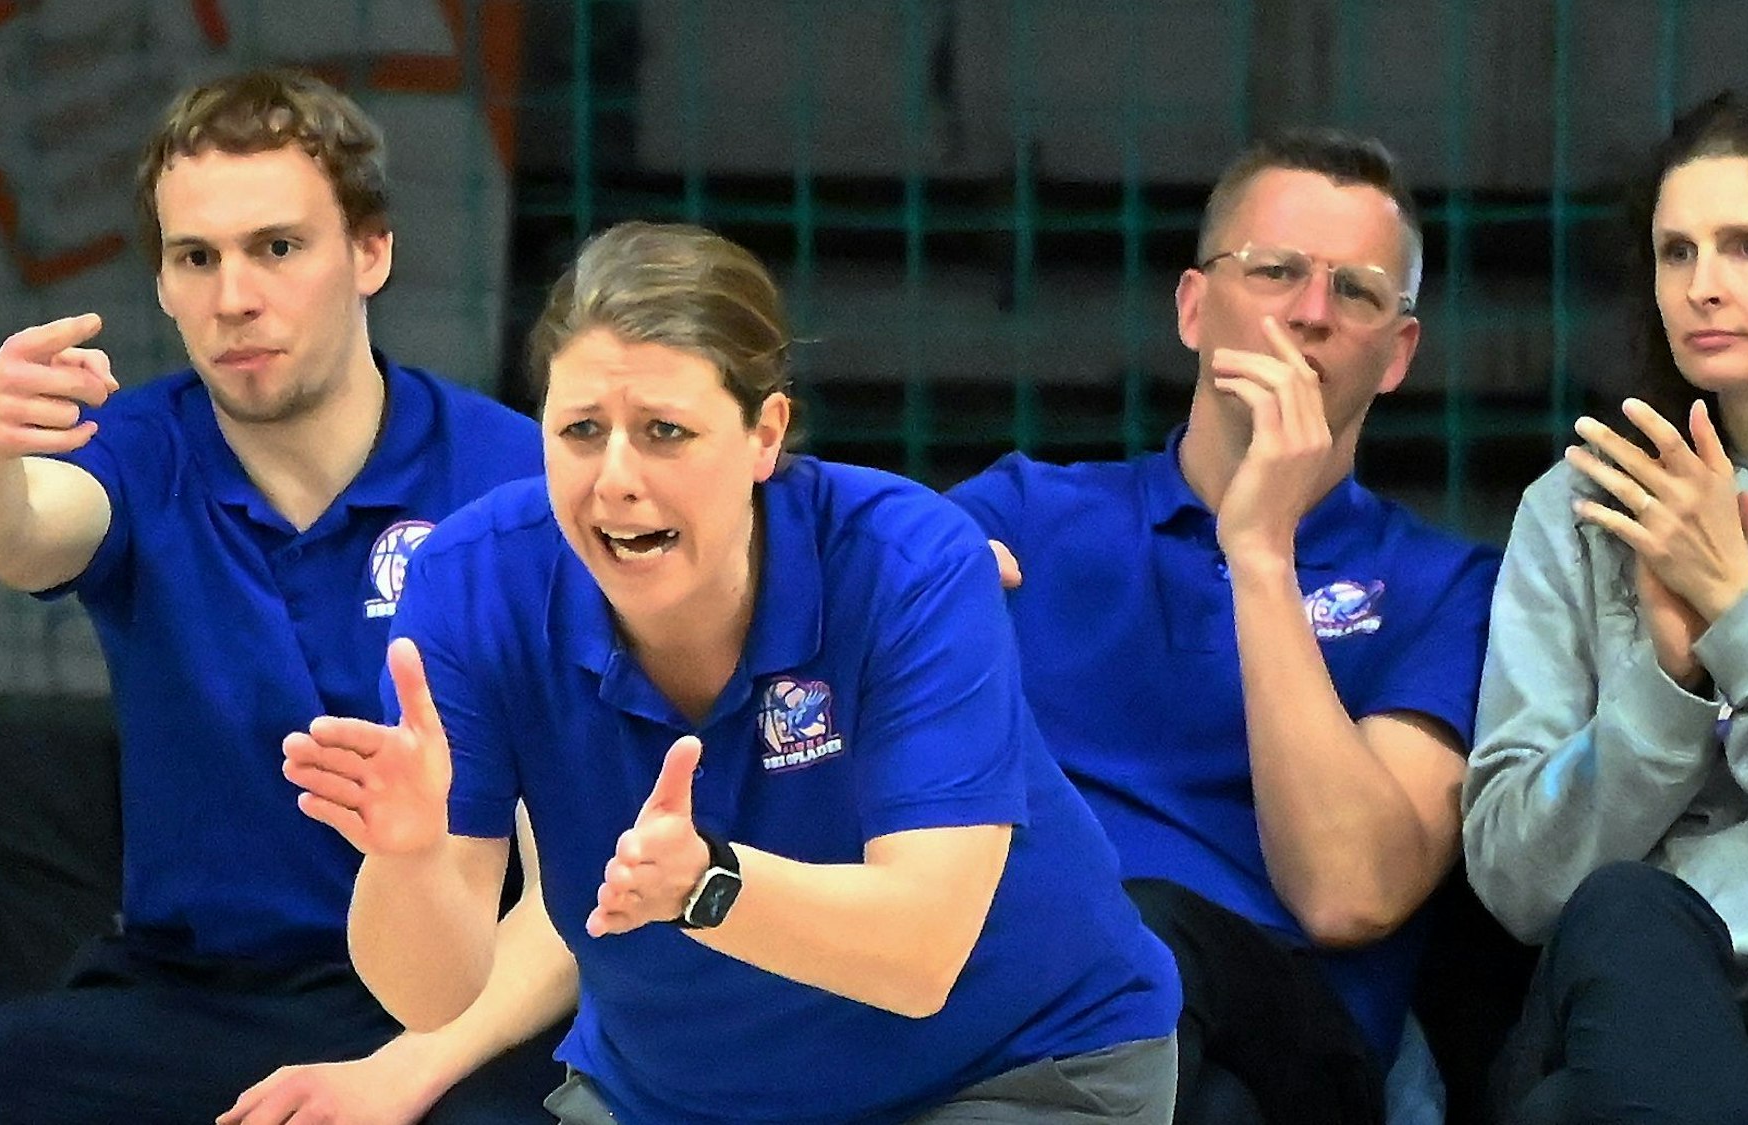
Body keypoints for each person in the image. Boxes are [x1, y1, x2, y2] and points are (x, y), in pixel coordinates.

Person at [281, 220, 1184, 1125]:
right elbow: (431, 998)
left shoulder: (910, 561)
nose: (616, 479)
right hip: (675, 1095)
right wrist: (406, 864)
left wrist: (710, 883)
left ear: (765, 433)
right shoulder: (475, 579)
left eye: (666, 430)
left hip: (1013, 1067)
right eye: (582, 430)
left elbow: (921, 952)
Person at [0, 69, 568, 1124]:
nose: (233, 298)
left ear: (370, 253)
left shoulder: (513, 483)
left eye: (277, 247)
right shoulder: (139, 447)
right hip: (186, 993)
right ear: (164, 285)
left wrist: (404, 1072)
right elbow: (5, 530)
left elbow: (576, 891)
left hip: (450, 1000)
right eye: (195, 258)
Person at [949, 129, 1500, 1124]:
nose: (1309, 314)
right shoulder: (1025, 513)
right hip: (1026, 1013)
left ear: (1395, 354)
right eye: (1275, 271)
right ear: (1194, 307)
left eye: (1357, 292)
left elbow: (1347, 894)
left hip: (1289, 1031)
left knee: (1146, 933)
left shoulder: (1444, 584)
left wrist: (1260, 551)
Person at [1463, 90, 1748, 1125]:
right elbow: (1517, 878)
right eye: (1674, 253)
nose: (1701, 287)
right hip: (1615, 996)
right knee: (1622, 909)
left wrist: (1740, 614)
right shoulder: (1576, 510)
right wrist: (1663, 688)